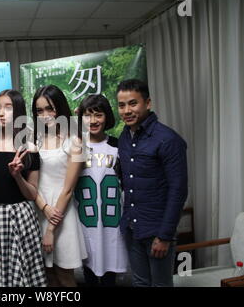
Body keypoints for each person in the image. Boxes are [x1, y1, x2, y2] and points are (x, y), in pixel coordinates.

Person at [116, 79, 188, 287]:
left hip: (157, 230)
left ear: (147, 103)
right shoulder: (124, 137)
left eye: (133, 103)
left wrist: (165, 236)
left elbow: (178, 190)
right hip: (132, 227)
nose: (127, 110)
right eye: (121, 105)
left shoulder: (168, 140)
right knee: (139, 283)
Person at [0, 89, 46, 287]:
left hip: (22, 218)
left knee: (24, 274)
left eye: (8, 107)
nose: (1, 113)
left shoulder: (29, 149)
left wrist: (18, 176)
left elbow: (32, 194)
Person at [32, 85, 87, 287]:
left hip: (61, 216)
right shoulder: (34, 140)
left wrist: (51, 229)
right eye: (39, 110)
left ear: (61, 108)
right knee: (47, 276)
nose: (45, 115)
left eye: (50, 108)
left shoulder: (75, 141)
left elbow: (68, 189)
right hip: (38, 212)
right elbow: (32, 183)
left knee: (64, 275)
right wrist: (43, 206)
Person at [75, 94, 128, 286]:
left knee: (109, 278)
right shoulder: (76, 146)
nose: (93, 120)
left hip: (111, 224)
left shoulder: (118, 146)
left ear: (107, 117)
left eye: (98, 115)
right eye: (88, 115)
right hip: (85, 223)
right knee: (88, 274)